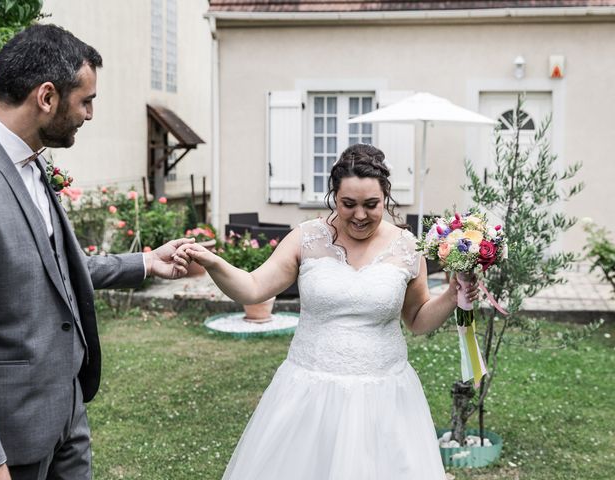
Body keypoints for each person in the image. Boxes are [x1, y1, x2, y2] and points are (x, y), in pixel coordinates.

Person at [175, 143, 478, 479]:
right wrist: (213, 262)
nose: (360, 215)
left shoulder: (407, 247)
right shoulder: (306, 238)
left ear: (386, 198)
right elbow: (252, 288)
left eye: (371, 205)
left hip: (385, 398)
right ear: (335, 195)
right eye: (348, 204)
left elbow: (418, 320)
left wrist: (453, 295)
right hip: (309, 393)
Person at [0, 25, 191, 480]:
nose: (90, 114)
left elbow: (50, 270)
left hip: (67, 417)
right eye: (86, 100)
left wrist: (146, 261)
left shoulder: (35, 159)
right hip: (9, 441)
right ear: (47, 97)